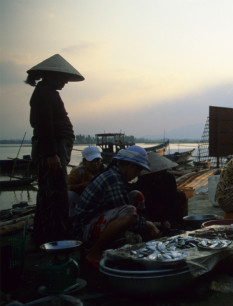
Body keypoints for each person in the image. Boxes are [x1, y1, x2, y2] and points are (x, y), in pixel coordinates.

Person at [26, 54, 84, 246]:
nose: (66, 81)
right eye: (62, 77)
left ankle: (50, 235)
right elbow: (44, 126)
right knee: (54, 194)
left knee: (54, 192)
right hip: (52, 151)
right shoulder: (43, 93)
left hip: (57, 149)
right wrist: (51, 155)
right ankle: (53, 237)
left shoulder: (48, 92)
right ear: (51, 76)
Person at [73, 145, 160, 267]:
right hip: (85, 228)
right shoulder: (113, 178)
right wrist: (148, 225)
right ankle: (93, 252)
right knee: (130, 211)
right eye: (138, 170)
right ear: (129, 165)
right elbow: (127, 213)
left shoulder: (117, 176)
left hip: (98, 218)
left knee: (136, 195)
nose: (138, 174)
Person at [132, 152, 187, 230]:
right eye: (155, 174)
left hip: (165, 206)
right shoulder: (143, 179)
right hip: (148, 208)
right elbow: (136, 195)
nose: (157, 176)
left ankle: (176, 224)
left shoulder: (169, 178)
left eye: (160, 173)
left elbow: (172, 199)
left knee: (181, 195)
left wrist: (167, 219)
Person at [67, 146, 104, 217]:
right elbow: (67, 187)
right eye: (92, 161)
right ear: (84, 161)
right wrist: (81, 186)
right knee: (70, 195)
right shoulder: (77, 172)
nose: (95, 163)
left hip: (98, 199)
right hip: (81, 198)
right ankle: (72, 217)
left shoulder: (104, 169)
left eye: (97, 160)